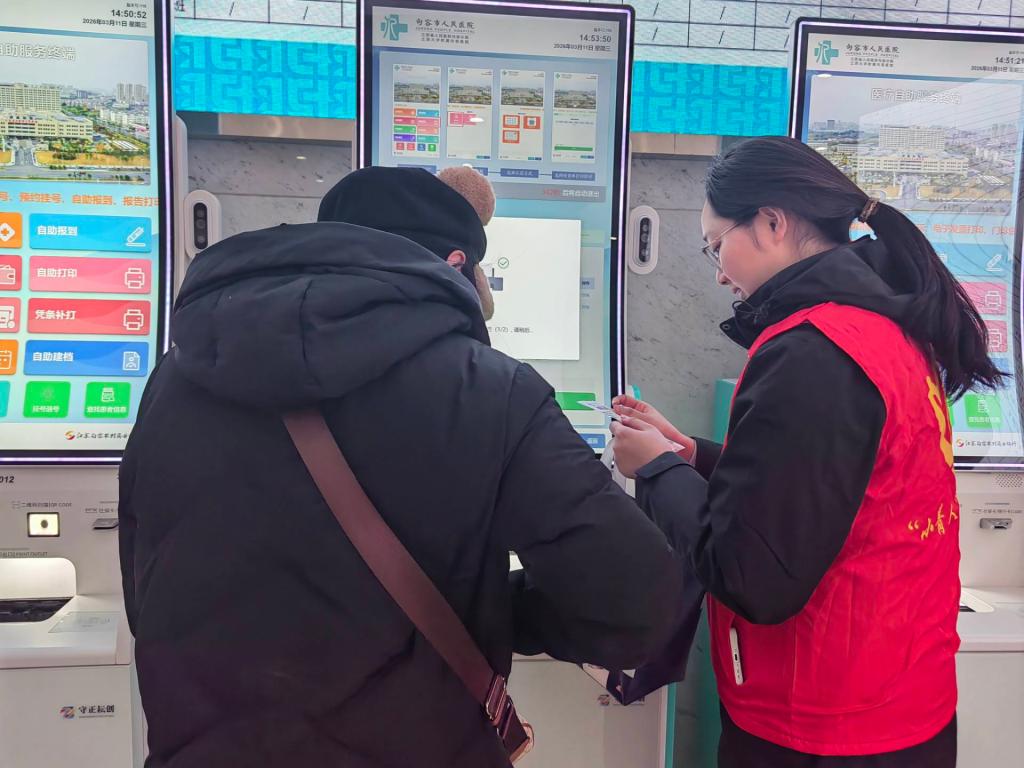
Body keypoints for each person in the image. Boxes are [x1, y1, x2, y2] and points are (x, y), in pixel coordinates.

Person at [119, 166, 693, 768]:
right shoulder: (489, 390)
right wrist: (499, 609)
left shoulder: (175, 379)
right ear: (454, 266)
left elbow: (143, 587)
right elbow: (635, 604)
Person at [609, 136, 1003, 767]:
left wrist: (653, 470)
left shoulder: (811, 351)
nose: (718, 272)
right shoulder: (882, 327)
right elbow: (833, 487)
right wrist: (691, 456)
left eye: (716, 244)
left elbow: (751, 576)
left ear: (772, 222)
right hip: (897, 698)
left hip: (820, 727)